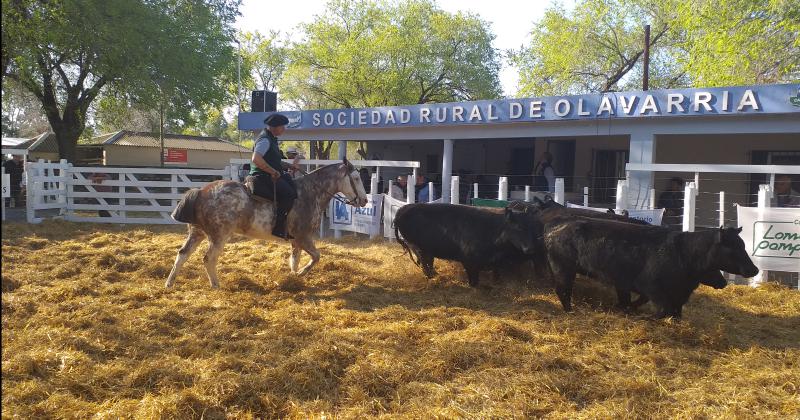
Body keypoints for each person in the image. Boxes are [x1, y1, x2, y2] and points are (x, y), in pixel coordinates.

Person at [249, 113, 299, 240]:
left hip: (269, 174)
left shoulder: (271, 139)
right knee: (288, 194)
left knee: (293, 187)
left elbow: (274, 161)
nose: (284, 129)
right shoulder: (265, 139)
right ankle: (278, 228)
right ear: (274, 127)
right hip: (262, 176)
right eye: (282, 126)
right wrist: (272, 171)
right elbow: (256, 159)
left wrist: (289, 166)